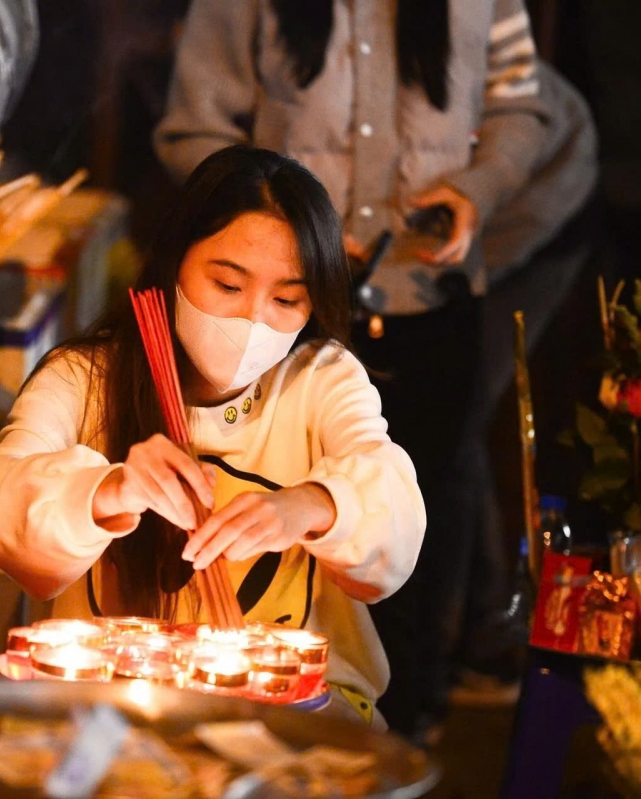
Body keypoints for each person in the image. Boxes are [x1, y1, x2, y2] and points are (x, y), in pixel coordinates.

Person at [152, 0, 596, 738]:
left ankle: (408, 723)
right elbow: (193, 129)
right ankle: (265, 718)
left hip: (429, 294)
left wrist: (476, 190)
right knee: (281, 510)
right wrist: (288, 236)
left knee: (424, 508)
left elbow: (521, 105)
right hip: (286, 310)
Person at [0, 146, 426, 727]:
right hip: (111, 722)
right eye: (227, 285)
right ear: (174, 263)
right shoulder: (84, 379)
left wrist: (311, 505)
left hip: (296, 721)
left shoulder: (321, 379)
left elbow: (394, 516)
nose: (253, 320)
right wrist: (108, 491)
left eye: (286, 299)